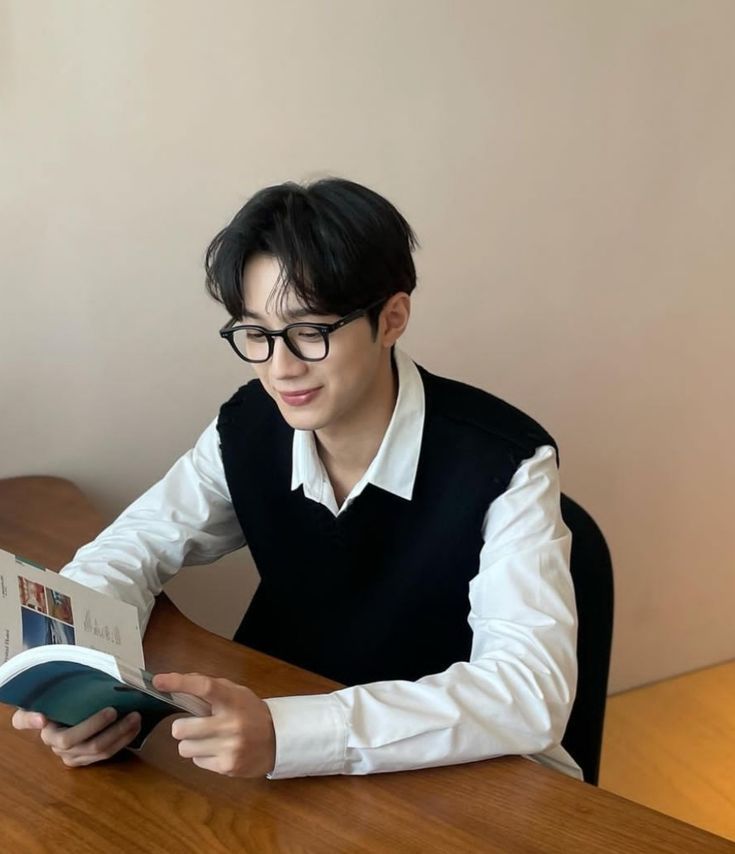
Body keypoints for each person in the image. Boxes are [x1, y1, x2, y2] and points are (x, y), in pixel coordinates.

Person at [12, 178, 581, 780]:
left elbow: (528, 690)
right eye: (255, 333)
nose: (281, 369)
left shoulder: (507, 461)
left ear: (391, 319)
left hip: (453, 765)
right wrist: (71, 672)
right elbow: (139, 542)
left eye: (311, 331)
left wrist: (292, 734)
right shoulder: (250, 426)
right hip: (282, 733)